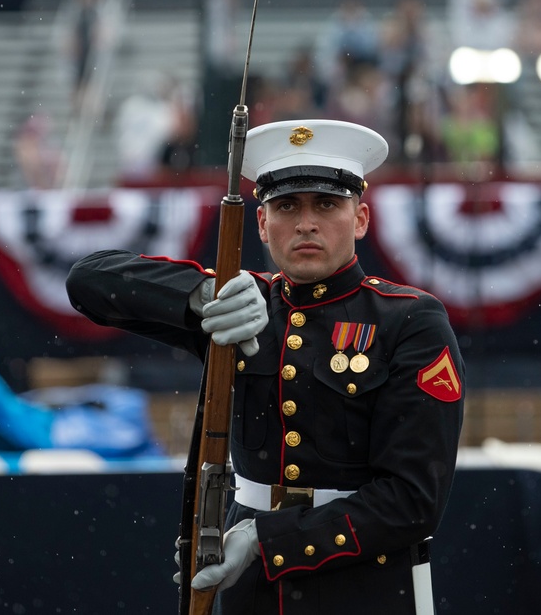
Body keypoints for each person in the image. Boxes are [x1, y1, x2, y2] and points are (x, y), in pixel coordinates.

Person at [65, 119, 466, 614]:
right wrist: (202, 295)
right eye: (285, 206)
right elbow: (88, 282)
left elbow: (412, 502)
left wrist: (265, 540)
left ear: (361, 219)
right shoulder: (241, 307)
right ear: (260, 223)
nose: (305, 223)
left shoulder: (408, 320)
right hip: (247, 586)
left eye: (326, 204)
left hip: (361, 582)